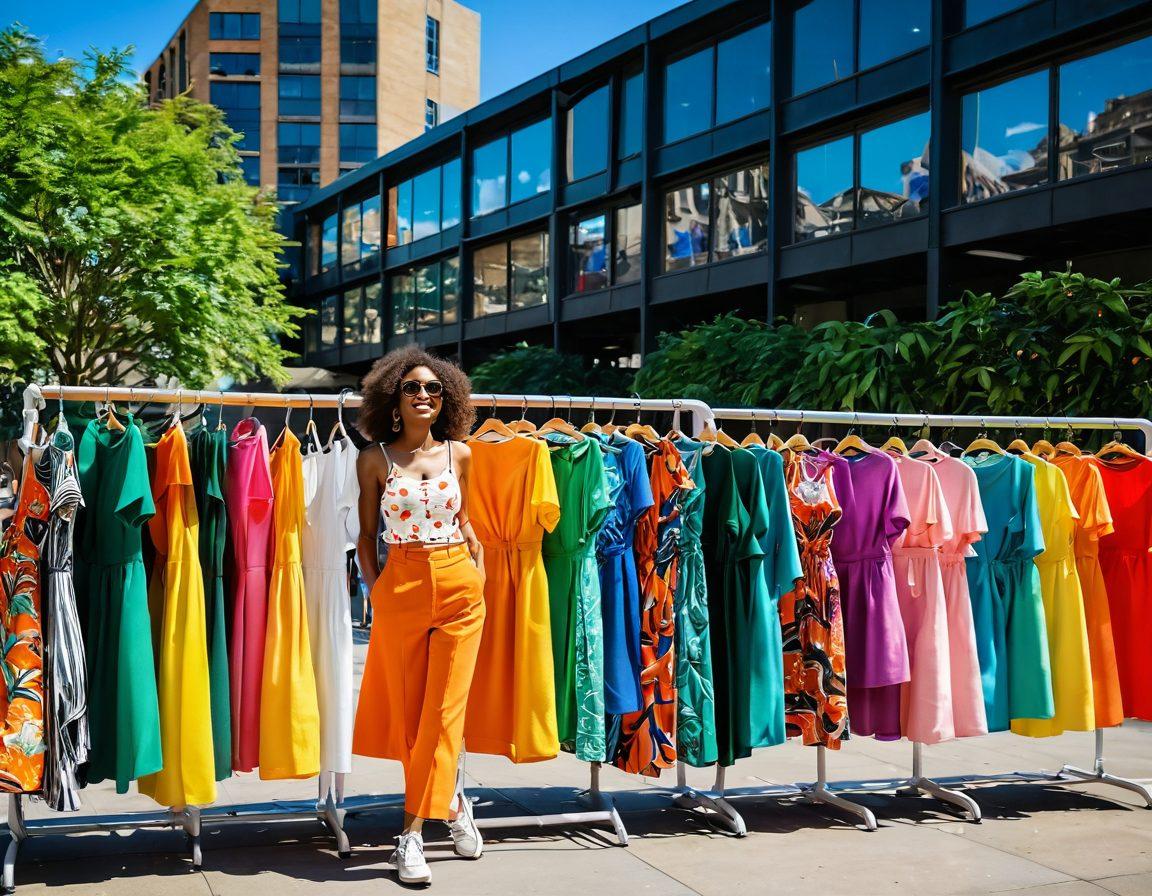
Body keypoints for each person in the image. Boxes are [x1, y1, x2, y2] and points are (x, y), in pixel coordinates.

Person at [352, 347, 485, 885]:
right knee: (411, 718)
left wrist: (478, 574)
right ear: (394, 399)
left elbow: (470, 523)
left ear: (447, 397)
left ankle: (408, 837)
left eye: (434, 388)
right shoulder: (374, 459)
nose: (424, 395)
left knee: (444, 712)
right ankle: (451, 798)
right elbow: (365, 536)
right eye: (412, 388)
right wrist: (375, 589)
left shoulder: (462, 454)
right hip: (400, 584)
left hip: (458, 582)